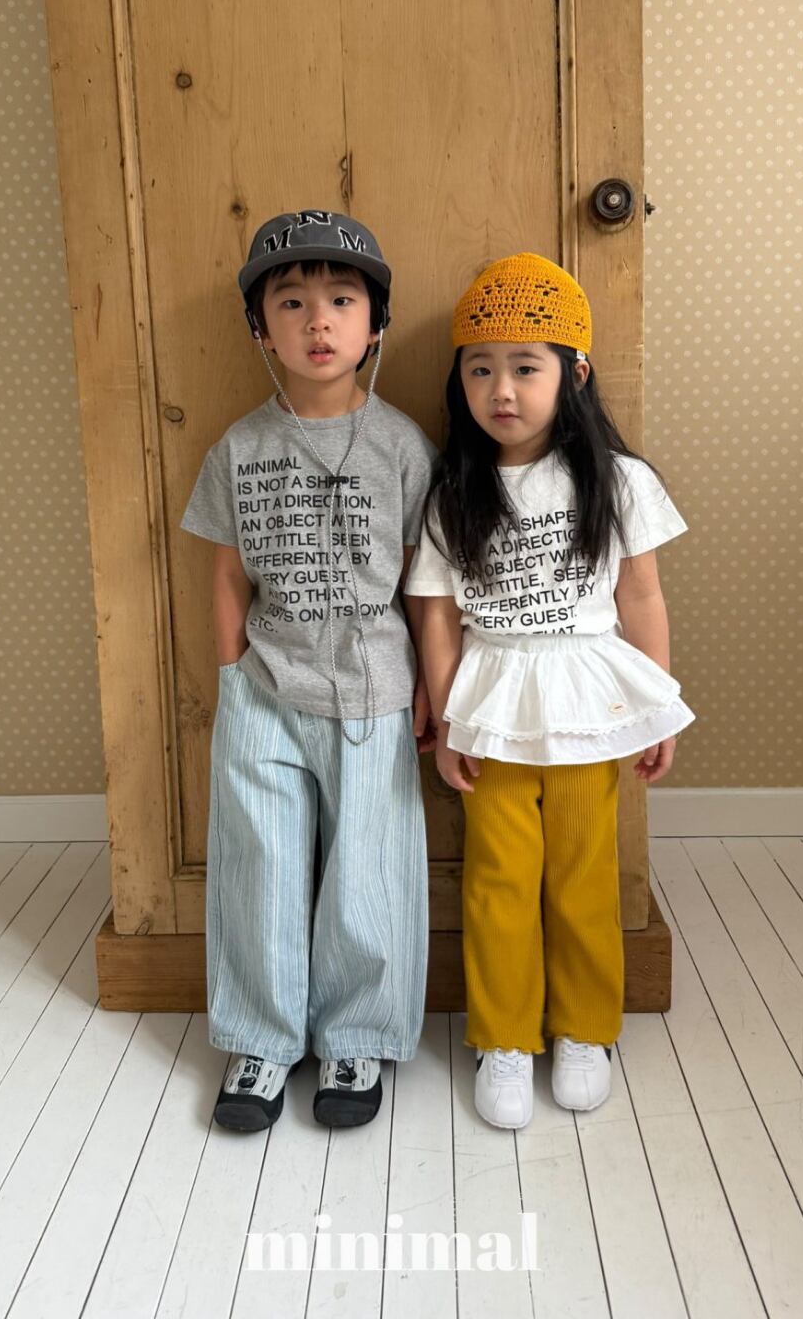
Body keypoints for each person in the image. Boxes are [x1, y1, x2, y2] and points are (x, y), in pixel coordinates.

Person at [406, 252, 695, 1130]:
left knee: (582, 874)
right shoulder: (453, 490)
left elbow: (640, 598)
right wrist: (447, 719)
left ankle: (582, 1028)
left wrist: (658, 707)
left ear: (574, 374)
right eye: (479, 369)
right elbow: (435, 615)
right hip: (493, 705)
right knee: (497, 879)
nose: (500, 390)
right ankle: (502, 1035)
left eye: (524, 368)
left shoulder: (618, 481)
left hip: (587, 704)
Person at [180, 210, 435, 1132]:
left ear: (375, 323)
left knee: (367, 869)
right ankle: (260, 1038)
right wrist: (231, 678)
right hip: (263, 690)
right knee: (260, 866)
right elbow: (225, 574)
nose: (317, 321)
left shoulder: (402, 446)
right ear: (261, 328)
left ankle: (355, 1037)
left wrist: (430, 689)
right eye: (291, 303)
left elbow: (423, 581)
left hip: (372, 690)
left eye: (340, 300)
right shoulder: (238, 448)